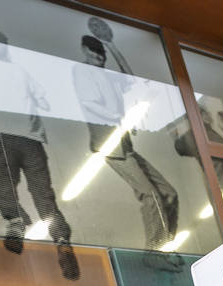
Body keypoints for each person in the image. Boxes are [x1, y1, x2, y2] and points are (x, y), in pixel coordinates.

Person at [0, 29, 79, 281]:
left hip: (19, 137)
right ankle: (41, 231)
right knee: (22, 189)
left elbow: (42, 98)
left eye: (0, 44)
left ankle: (36, 230)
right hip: (18, 136)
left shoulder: (5, 69)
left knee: (21, 188)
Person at [72, 34, 179, 252]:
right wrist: (118, 118)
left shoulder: (107, 75)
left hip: (125, 145)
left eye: (101, 53)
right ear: (85, 50)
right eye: (94, 52)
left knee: (169, 193)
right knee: (151, 196)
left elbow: (131, 78)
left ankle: (165, 247)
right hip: (109, 145)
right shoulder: (82, 71)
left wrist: (113, 46)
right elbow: (89, 103)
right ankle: (155, 254)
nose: (98, 57)